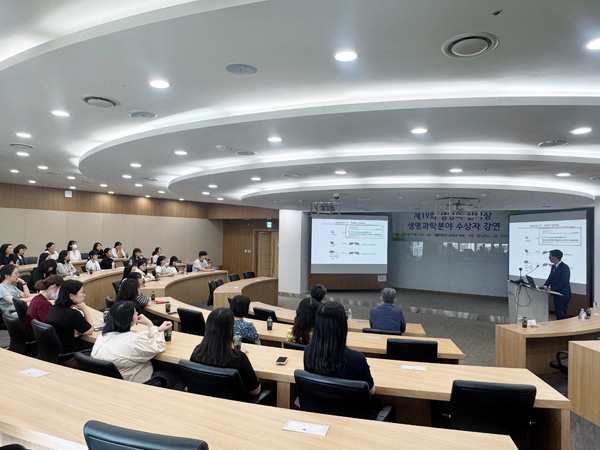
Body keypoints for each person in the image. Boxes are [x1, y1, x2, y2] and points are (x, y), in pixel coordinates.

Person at [91, 301, 173, 383]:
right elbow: (160, 345)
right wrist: (150, 324)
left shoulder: (103, 335)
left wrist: (157, 329)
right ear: (128, 319)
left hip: (110, 382)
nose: (137, 313)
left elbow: (131, 337)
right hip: (137, 382)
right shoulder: (133, 341)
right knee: (172, 372)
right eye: (134, 313)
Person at [304, 302, 375, 395]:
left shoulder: (308, 352)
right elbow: (371, 391)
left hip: (316, 403)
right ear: (343, 327)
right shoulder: (357, 359)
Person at [190, 308, 261, 396]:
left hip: (202, 400)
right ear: (230, 331)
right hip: (234, 403)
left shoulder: (197, 352)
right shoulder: (239, 358)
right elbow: (255, 391)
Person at [44, 279, 94, 354]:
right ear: (71, 296)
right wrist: (85, 309)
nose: (84, 295)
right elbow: (90, 330)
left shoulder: (54, 308)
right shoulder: (72, 314)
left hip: (54, 352)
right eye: (82, 292)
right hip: (70, 353)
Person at [542, 249, 572, 320]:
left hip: (562, 295)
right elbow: (550, 277)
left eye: (550, 256)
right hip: (556, 294)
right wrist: (545, 285)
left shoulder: (564, 267)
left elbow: (564, 282)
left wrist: (552, 289)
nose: (549, 258)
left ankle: (565, 326)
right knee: (558, 314)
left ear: (555, 257)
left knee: (562, 315)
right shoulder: (553, 266)